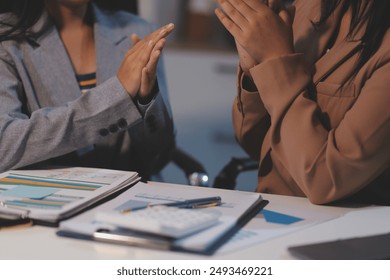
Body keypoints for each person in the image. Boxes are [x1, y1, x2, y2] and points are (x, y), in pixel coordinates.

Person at [215, 0, 390, 205]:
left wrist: (275, 60)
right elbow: (255, 144)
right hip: (269, 215)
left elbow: (325, 182)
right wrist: (254, 68)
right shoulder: (311, 8)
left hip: (341, 231)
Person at [0, 0, 176, 179]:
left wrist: (146, 101)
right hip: (49, 199)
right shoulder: (6, 38)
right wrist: (115, 96)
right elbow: (5, 146)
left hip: (130, 196)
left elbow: (159, 158)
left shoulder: (139, 30)